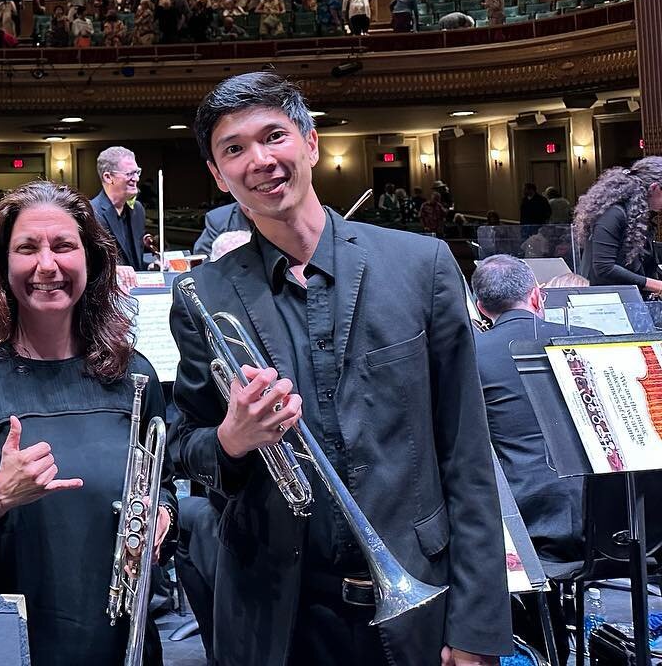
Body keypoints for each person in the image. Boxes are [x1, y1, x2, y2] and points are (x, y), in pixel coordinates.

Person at [169, 71, 509, 666]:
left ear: (311, 143)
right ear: (219, 177)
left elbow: (466, 453)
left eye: (274, 136)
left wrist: (478, 624)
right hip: (276, 614)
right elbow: (186, 445)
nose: (260, 160)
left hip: (417, 596)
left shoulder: (421, 265)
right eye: (234, 149)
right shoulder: (205, 294)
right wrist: (231, 440)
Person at [0, 180, 176, 666]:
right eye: (27, 249)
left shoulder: (134, 377)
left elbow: (160, 486)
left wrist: (163, 515)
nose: (47, 266)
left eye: (63, 246)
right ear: (1, 266)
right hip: (6, 645)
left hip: (118, 641)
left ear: (91, 259)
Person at [472, 254, 596, 659]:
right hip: (613, 525)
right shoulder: (590, 338)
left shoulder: (471, 355)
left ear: (480, 308)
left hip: (529, 528)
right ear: (538, 296)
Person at [574, 156, 662, 296]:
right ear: (655, 188)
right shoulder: (613, 213)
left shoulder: (636, 214)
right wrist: (656, 285)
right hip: (606, 300)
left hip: (623, 297)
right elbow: (604, 267)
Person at [89, 145, 149, 288]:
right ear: (108, 177)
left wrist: (151, 265)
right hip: (107, 295)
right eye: (130, 174)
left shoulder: (138, 210)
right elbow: (89, 264)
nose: (136, 178)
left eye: (137, 172)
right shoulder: (92, 212)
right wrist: (114, 270)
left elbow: (134, 262)